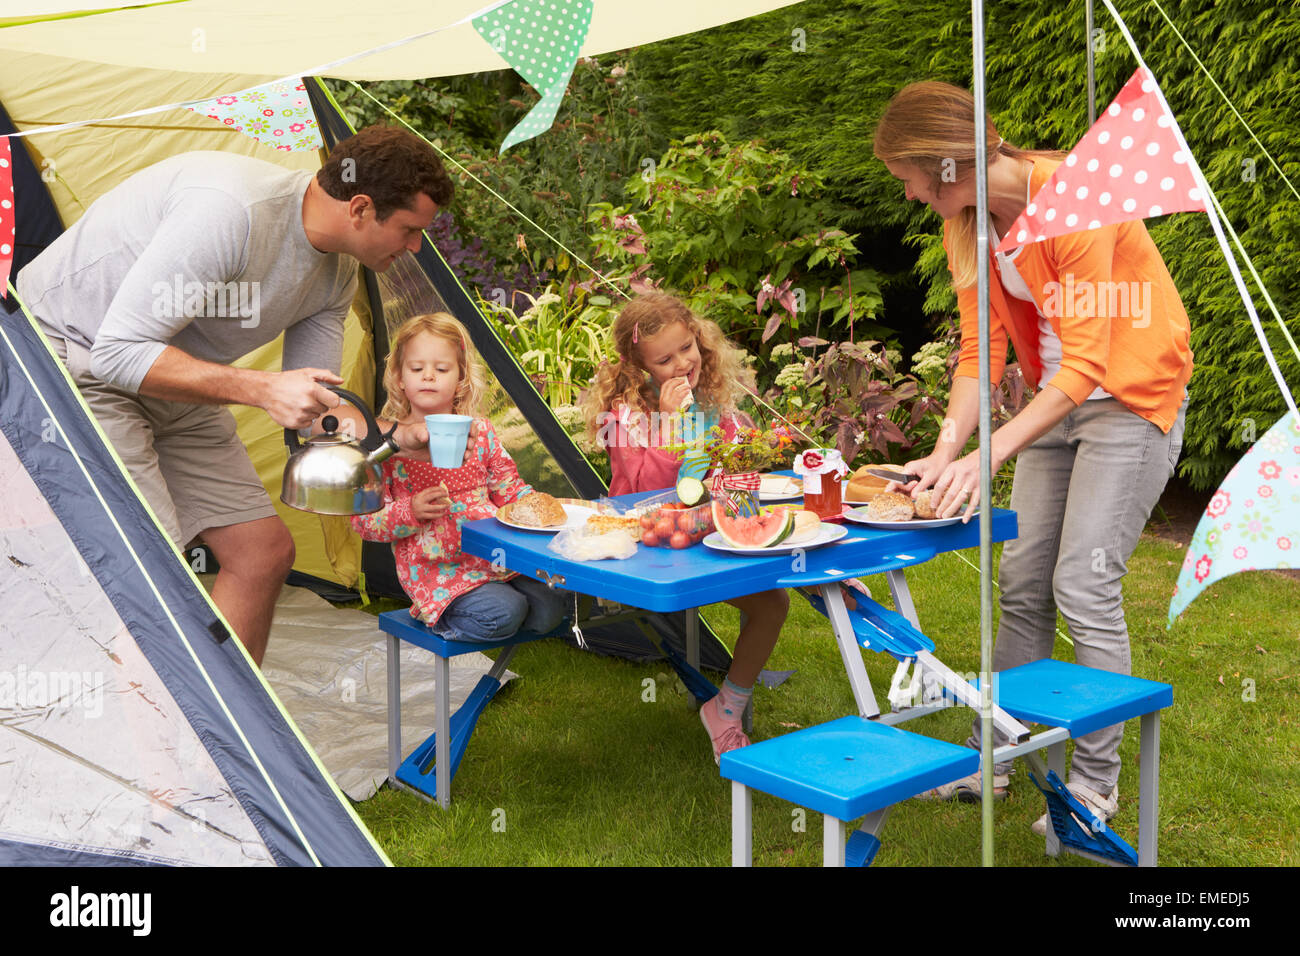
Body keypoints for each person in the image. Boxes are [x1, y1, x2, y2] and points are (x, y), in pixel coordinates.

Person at [873, 81, 1192, 832]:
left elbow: (1087, 363)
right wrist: (946, 448)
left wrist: (988, 456)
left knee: (1083, 581)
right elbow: (979, 351)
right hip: (1056, 402)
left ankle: (1092, 785)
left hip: (1130, 399)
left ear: (943, 165)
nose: (911, 195)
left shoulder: (1079, 197)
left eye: (909, 178)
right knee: (1021, 582)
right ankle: (1000, 761)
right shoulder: (973, 225)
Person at [16, 125, 453, 666]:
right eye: (410, 230)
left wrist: (394, 436)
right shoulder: (231, 212)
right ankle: (156, 742)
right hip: (68, 354)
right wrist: (260, 388)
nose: (415, 247)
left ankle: (225, 731)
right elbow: (117, 352)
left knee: (263, 553)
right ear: (361, 208)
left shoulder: (338, 273)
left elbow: (317, 413)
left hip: (173, 376)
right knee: (151, 569)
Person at [582, 292, 794, 762]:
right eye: (664, 359)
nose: (682, 363)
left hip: (705, 531)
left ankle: (727, 706)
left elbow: (727, 474)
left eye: (687, 348)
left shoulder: (711, 398)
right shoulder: (628, 415)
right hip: (651, 542)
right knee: (773, 599)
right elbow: (645, 489)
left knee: (779, 593)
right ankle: (727, 713)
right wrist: (673, 425)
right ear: (639, 369)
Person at [351, 312, 565, 642]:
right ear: (399, 378)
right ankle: (437, 614)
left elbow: (510, 489)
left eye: (441, 369)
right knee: (502, 614)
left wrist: (542, 507)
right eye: (417, 368)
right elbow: (364, 522)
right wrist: (412, 511)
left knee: (556, 600)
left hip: (497, 563)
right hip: (438, 573)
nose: (428, 377)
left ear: (461, 378)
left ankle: (506, 609)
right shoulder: (384, 444)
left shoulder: (480, 433)